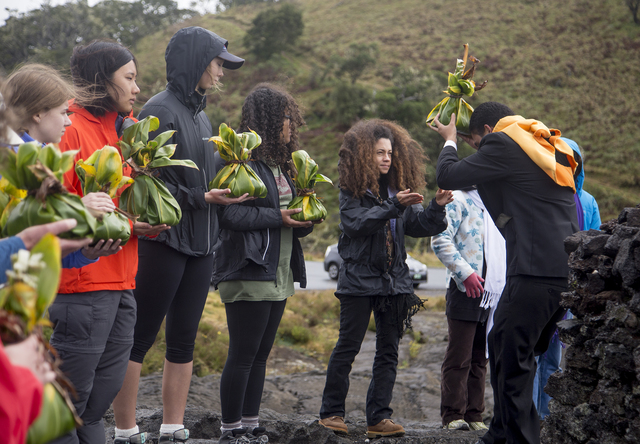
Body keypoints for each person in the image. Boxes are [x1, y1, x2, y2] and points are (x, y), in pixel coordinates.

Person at [111, 26, 248, 444]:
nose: (222, 72)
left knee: (184, 340)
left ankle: (173, 427)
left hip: (202, 245)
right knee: (139, 338)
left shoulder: (201, 114)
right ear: (196, 61)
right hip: (164, 242)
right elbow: (143, 183)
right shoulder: (158, 111)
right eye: (218, 62)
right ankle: (125, 430)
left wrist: (221, 192)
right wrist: (201, 196)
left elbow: (196, 180)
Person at [430, 102, 579, 444]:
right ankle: (503, 432)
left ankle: (518, 437)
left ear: (485, 131)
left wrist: (451, 140)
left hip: (533, 270)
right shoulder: (541, 144)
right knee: (507, 345)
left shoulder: (502, 142)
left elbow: (448, 176)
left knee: (510, 353)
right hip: (563, 270)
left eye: (475, 146)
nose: (478, 155)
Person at [49, 40, 169, 444]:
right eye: (129, 78)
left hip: (122, 283)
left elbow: (118, 207)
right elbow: (44, 212)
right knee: (68, 411)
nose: (137, 88)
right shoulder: (67, 129)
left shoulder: (123, 132)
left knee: (96, 409)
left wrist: (140, 222)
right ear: (103, 80)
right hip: (80, 289)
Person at [319, 119, 452, 439]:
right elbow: (355, 224)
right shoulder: (352, 191)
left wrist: (435, 207)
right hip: (358, 281)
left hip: (395, 282)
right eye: (379, 152)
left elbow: (419, 227)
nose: (386, 158)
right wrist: (393, 205)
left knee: (389, 351)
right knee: (348, 347)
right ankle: (331, 413)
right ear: (364, 154)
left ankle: (378, 417)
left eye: (390, 152)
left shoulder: (398, 191)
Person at [211, 84, 315, 444]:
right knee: (242, 354)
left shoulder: (281, 165)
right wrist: (279, 217)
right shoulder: (241, 161)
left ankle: (250, 425)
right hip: (249, 268)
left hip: (279, 271)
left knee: (260, 356)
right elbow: (230, 215)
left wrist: (302, 220)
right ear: (271, 121)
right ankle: (230, 429)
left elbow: (282, 218)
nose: (292, 125)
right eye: (287, 118)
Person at [1, 63, 118, 268]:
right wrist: (77, 209)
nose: (69, 122)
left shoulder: (42, 160)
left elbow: (42, 251)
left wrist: (86, 253)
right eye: (64, 112)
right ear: (37, 114)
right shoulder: (9, 161)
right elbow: (14, 237)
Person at [531, 136, 601, 419]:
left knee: (553, 357)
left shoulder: (587, 201)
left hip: (571, 289)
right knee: (531, 354)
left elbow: (595, 241)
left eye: (572, 162)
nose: (567, 166)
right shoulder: (539, 194)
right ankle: (527, 418)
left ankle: (545, 418)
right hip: (541, 284)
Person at [431, 185, 506, 431]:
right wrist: (466, 274)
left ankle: (475, 415)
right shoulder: (458, 200)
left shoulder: (493, 205)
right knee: (459, 355)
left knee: (480, 356)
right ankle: (453, 415)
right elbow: (440, 239)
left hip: (491, 291)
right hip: (464, 289)